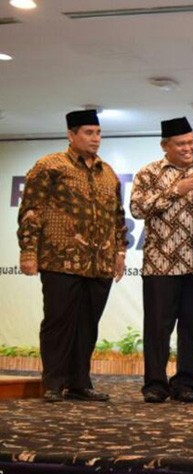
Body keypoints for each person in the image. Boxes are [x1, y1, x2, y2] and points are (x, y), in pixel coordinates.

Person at [17, 109, 127, 403]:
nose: (96, 139)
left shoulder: (108, 173)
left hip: (99, 262)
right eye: (89, 133)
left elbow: (118, 216)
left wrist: (120, 252)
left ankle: (79, 382)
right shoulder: (50, 166)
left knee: (87, 324)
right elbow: (31, 211)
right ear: (71, 135)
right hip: (60, 259)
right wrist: (29, 251)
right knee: (59, 321)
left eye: (99, 133)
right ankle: (53, 382)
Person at [130, 117, 193, 404]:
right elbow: (137, 208)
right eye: (181, 144)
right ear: (166, 146)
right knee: (158, 327)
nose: (189, 148)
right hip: (160, 265)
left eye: (191, 142)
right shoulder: (149, 173)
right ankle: (155, 383)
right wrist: (175, 190)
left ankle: (187, 383)